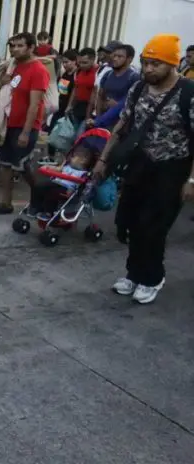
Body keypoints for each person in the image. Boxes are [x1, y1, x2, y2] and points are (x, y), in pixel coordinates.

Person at [93, 34, 194, 305]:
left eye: (156, 64)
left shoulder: (188, 93)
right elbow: (122, 125)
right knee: (130, 221)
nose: (149, 69)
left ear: (172, 64)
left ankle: (151, 277)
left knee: (153, 226)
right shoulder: (138, 89)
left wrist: (191, 180)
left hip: (172, 169)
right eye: (146, 63)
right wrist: (103, 159)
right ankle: (133, 273)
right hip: (139, 164)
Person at [0, 32, 49, 216]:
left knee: (23, 166)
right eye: (12, 46)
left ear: (31, 47)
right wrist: (5, 83)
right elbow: (11, 90)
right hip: (9, 123)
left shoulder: (38, 70)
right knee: (4, 163)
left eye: (20, 45)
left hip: (25, 126)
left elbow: (35, 104)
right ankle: (6, 203)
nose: (15, 49)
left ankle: (41, 198)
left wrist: (26, 132)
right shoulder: (14, 66)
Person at [30, 144, 95, 215]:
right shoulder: (67, 166)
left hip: (66, 188)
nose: (70, 158)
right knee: (38, 185)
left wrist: (74, 190)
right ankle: (35, 207)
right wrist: (47, 167)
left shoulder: (83, 173)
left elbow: (81, 184)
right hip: (56, 182)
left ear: (83, 160)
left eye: (73, 156)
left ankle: (48, 212)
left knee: (51, 192)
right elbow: (57, 169)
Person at [43, 49, 78, 163]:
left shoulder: (76, 75)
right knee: (52, 133)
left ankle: (65, 160)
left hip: (68, 111)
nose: (65, 64)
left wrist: (69, 107)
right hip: (59, 108)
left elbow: (75, 93)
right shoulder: (64, 74)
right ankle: (51, 157)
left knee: (65, 137)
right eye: (63, 62)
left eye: (67, 62)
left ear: (74, 61)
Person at [94, 44, 139, 120]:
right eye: (114, 56)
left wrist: (118, 106)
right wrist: (98, 118)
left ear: (129, 59)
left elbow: (135, 104)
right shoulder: (107, 75)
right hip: (103, 120)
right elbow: (100, 97)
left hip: (120, 123)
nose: (115, 59)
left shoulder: (134, 77)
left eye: (119, 56)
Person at [66, 47, 97, 125]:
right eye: (80, 62)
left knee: (80, 134)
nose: (81, 65)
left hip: (90, 109)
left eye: (85, 62)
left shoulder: (98, 72)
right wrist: (69, 105)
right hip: (77, 107)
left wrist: (89, 115)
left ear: (93, 60)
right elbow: (75, 89)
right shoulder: (79, 71)